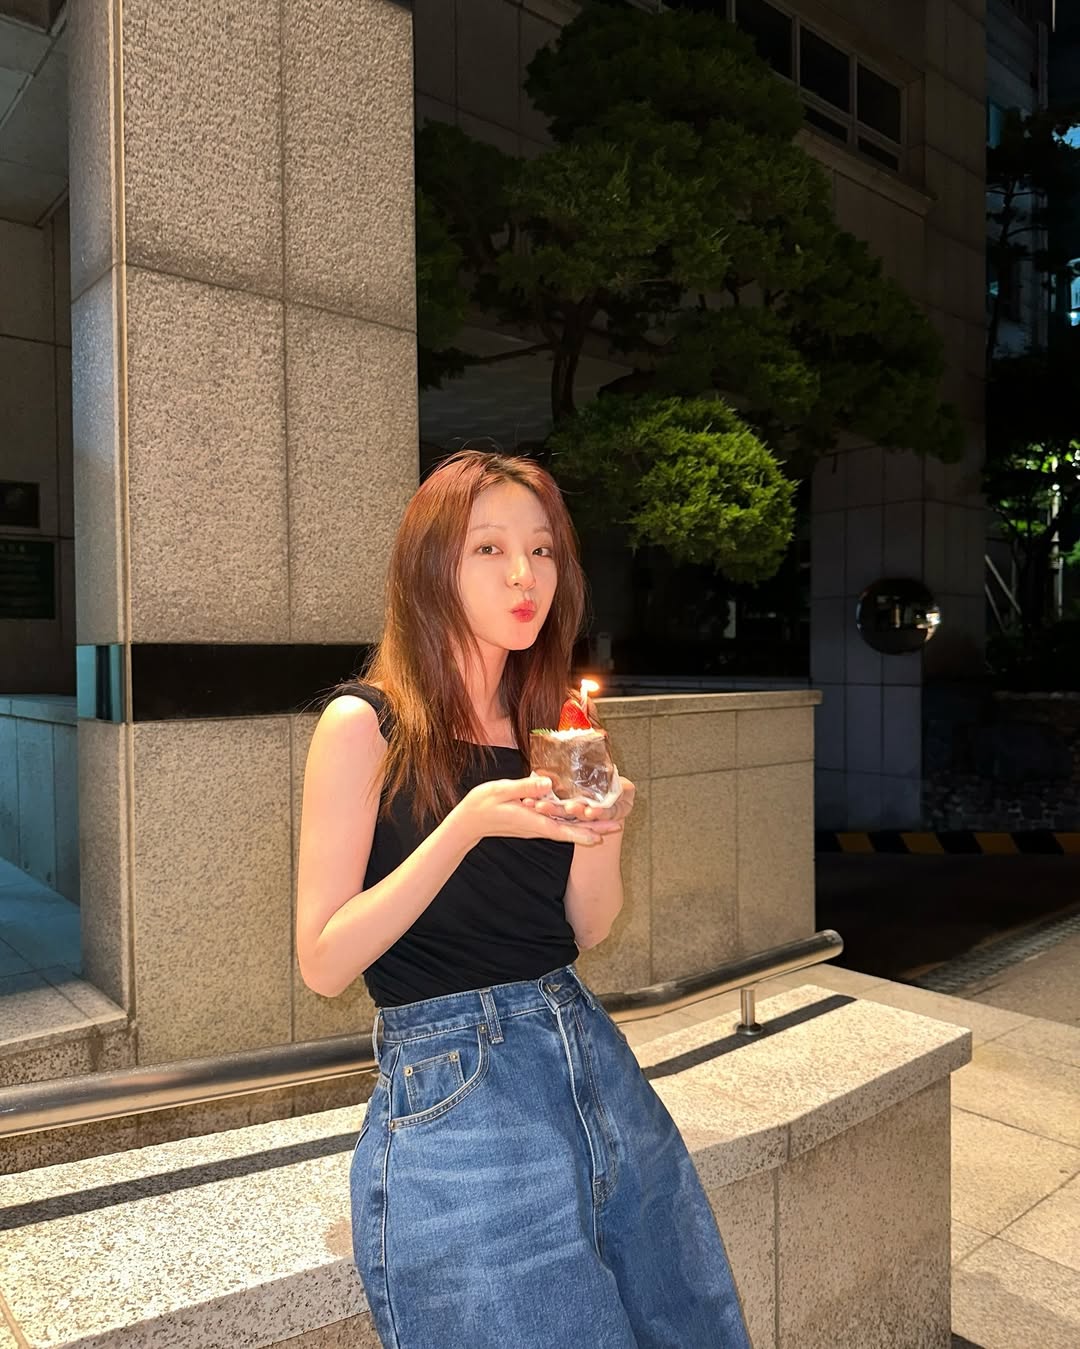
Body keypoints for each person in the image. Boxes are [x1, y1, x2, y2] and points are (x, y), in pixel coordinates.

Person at [295, 450, 751, 1348]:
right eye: (489, 548)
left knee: (690, 1321)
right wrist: (464, 824)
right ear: (431, 568)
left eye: (542, 550)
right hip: (455, 1079)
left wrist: (603, 825)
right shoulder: (366, 725)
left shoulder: (551, 725)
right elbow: (323, 960)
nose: (523, 575)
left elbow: (587, 925)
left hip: (587, 1049)